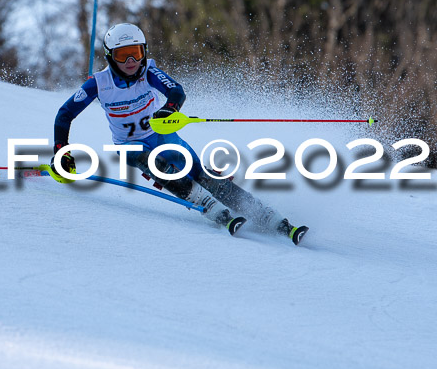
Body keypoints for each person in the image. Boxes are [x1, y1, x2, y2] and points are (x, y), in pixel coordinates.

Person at [50, 23, 308, 245]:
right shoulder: (98, 83)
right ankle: (207, 205)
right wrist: (61, 151)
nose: (131, 62)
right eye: (123, 55)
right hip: (129, 144)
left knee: (201, 174)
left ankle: (267, 216)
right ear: (109, 57)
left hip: (161, 135)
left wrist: (168, 109)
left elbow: (177, 91)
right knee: (150, 160)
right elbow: (65, 114)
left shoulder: (148, 71)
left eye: (136, 53)